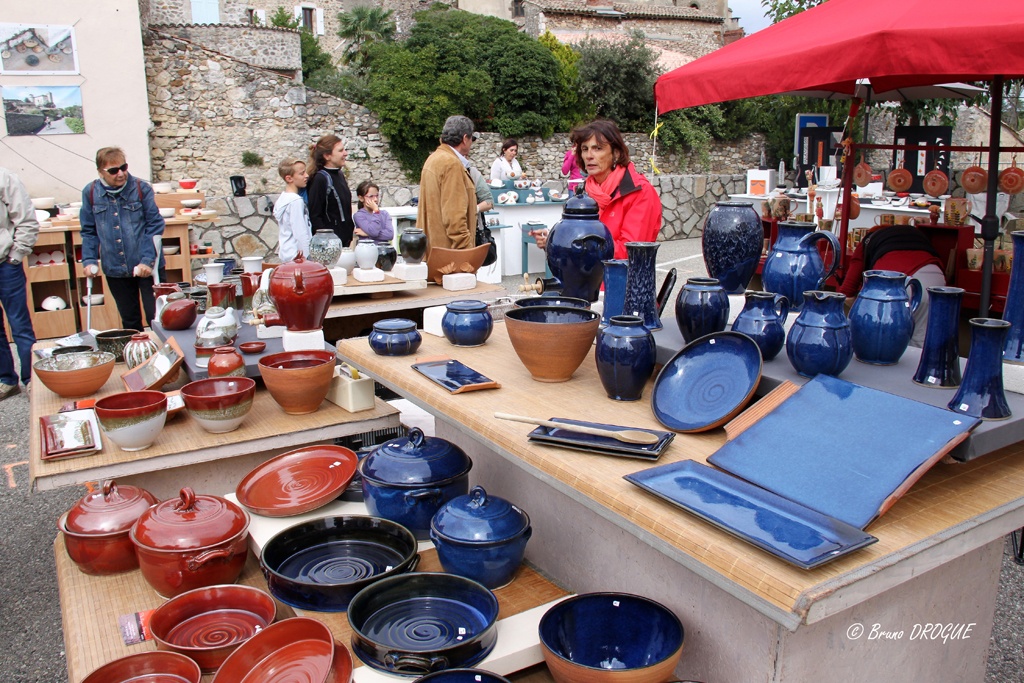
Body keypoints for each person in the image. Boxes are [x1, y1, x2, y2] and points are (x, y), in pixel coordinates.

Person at [534, 120, 662, 259]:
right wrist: (555, 241)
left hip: (620, 279)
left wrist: (579, 246)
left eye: (598, 148)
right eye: (584, 149)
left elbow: (631, 252)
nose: (589, 155)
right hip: (584, 279)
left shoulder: (639, 192)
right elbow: (577, 237)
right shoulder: (583, 192)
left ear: (616, 153)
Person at [80, 147, 165, 333]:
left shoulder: (141, 189)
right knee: (130, 321)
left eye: (123, 167)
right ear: (101, 172)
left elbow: (155, 225)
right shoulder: (91, 192)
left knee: (157, 318)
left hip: (147, 265)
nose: (120, 174)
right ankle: (137, 357)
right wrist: (89, 260)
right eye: (113, 170)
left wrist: (147, 261)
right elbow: (88, 231)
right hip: (115, 268)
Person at [838, 223, 944, 347]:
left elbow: (846, 291)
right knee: (920, 344)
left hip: (898, 286)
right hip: (935, 280)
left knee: (884, 343)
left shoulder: (868, 240)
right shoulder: (914, 235)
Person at [0, 168, 39, 399]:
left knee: (20, 325)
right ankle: (6, 379)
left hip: (6, 263)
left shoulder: (5, 179)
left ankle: (31, 379)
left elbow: (26, 220)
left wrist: (16, 256)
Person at [417, 115, 478, 250]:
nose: (471, 143)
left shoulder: (434, 158)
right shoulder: (451, 164)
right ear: (464, 139)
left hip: (432, 250)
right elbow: (454, 218)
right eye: (472, 139)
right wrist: (466, 252)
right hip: (449, 255)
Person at [307, 134, 354, 247]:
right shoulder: (320, 179)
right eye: (340, 150)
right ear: (327, 156)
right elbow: (315, 215)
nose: (345, 153)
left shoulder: (339, 174)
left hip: (343, 242)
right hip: (329, 246)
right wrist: (326, 242)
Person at [274, 157, 312, 263]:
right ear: (289, 178)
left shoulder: (283, 199)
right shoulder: (295, 201)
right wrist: (307, 257)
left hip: (287, 253)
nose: (306, 176)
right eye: (301, 173)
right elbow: (300, 232)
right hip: (297, 256)